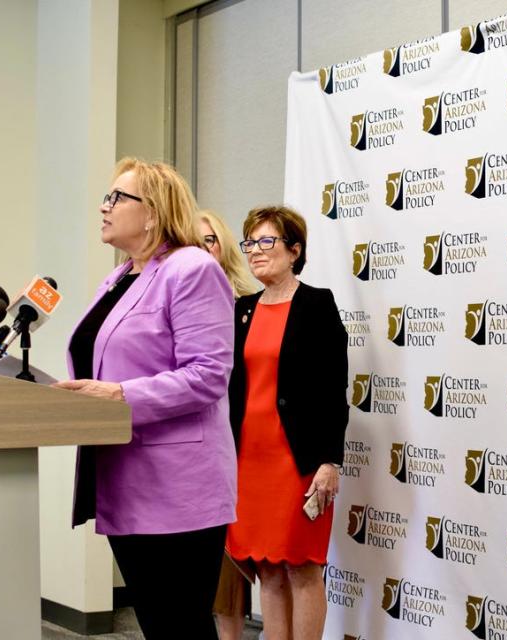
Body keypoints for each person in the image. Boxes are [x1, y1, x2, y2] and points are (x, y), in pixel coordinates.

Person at [53, 157, 236, 639]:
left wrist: (117, 394)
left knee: (180, 626)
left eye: (116, 198)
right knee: (158, 624)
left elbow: (209, 374)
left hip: (177, 486)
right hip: (122, 475)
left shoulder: (192, 268)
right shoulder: (117, 279)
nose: (103, 206)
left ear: (153, 211)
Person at [226, 205, 348, 640]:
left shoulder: (317, 305)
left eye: (267, 242)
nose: (255, 251)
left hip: (298, 463)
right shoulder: (241, 310)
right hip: (248, 462)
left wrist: (330, 461)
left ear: (295, 250)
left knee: (301, 568)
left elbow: (336, 393)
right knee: (268, 571)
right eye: (250, 243)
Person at [198, 208, 256, 640]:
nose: (201, 251)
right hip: (190, 453)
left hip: (242, 449)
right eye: (192, 243)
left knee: (236, 568)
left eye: (209, 241)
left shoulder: (247, 309)